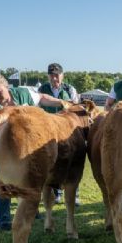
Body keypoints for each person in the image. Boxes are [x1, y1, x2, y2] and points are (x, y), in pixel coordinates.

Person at [0, 73, 65, 231]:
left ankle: (32, 209)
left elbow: (43, 98)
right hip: (4, 151)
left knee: (33, 178)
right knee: (4, 182)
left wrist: (62, 102)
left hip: (31, 147)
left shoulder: (23, 93)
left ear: (7, 87)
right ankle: (4, 220)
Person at [38, 63, 80, 205]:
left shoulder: (70, 89)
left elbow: (75, 108)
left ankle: (75, 194)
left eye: (57, 75)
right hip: (47, 130)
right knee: (51, 161)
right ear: (48, 76)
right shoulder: (42, 89)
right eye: (51, 75)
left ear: (62, 75)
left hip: (66, 130)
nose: (54, 78)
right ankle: (56, 192)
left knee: (73, 160)